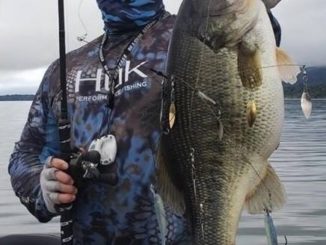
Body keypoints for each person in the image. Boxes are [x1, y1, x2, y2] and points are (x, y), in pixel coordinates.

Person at [7, 1, 282, 244]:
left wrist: (262, 11)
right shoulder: (63, 70)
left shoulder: (193, 31)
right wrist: (43, 188)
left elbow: (249, 54)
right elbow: (27, 153)